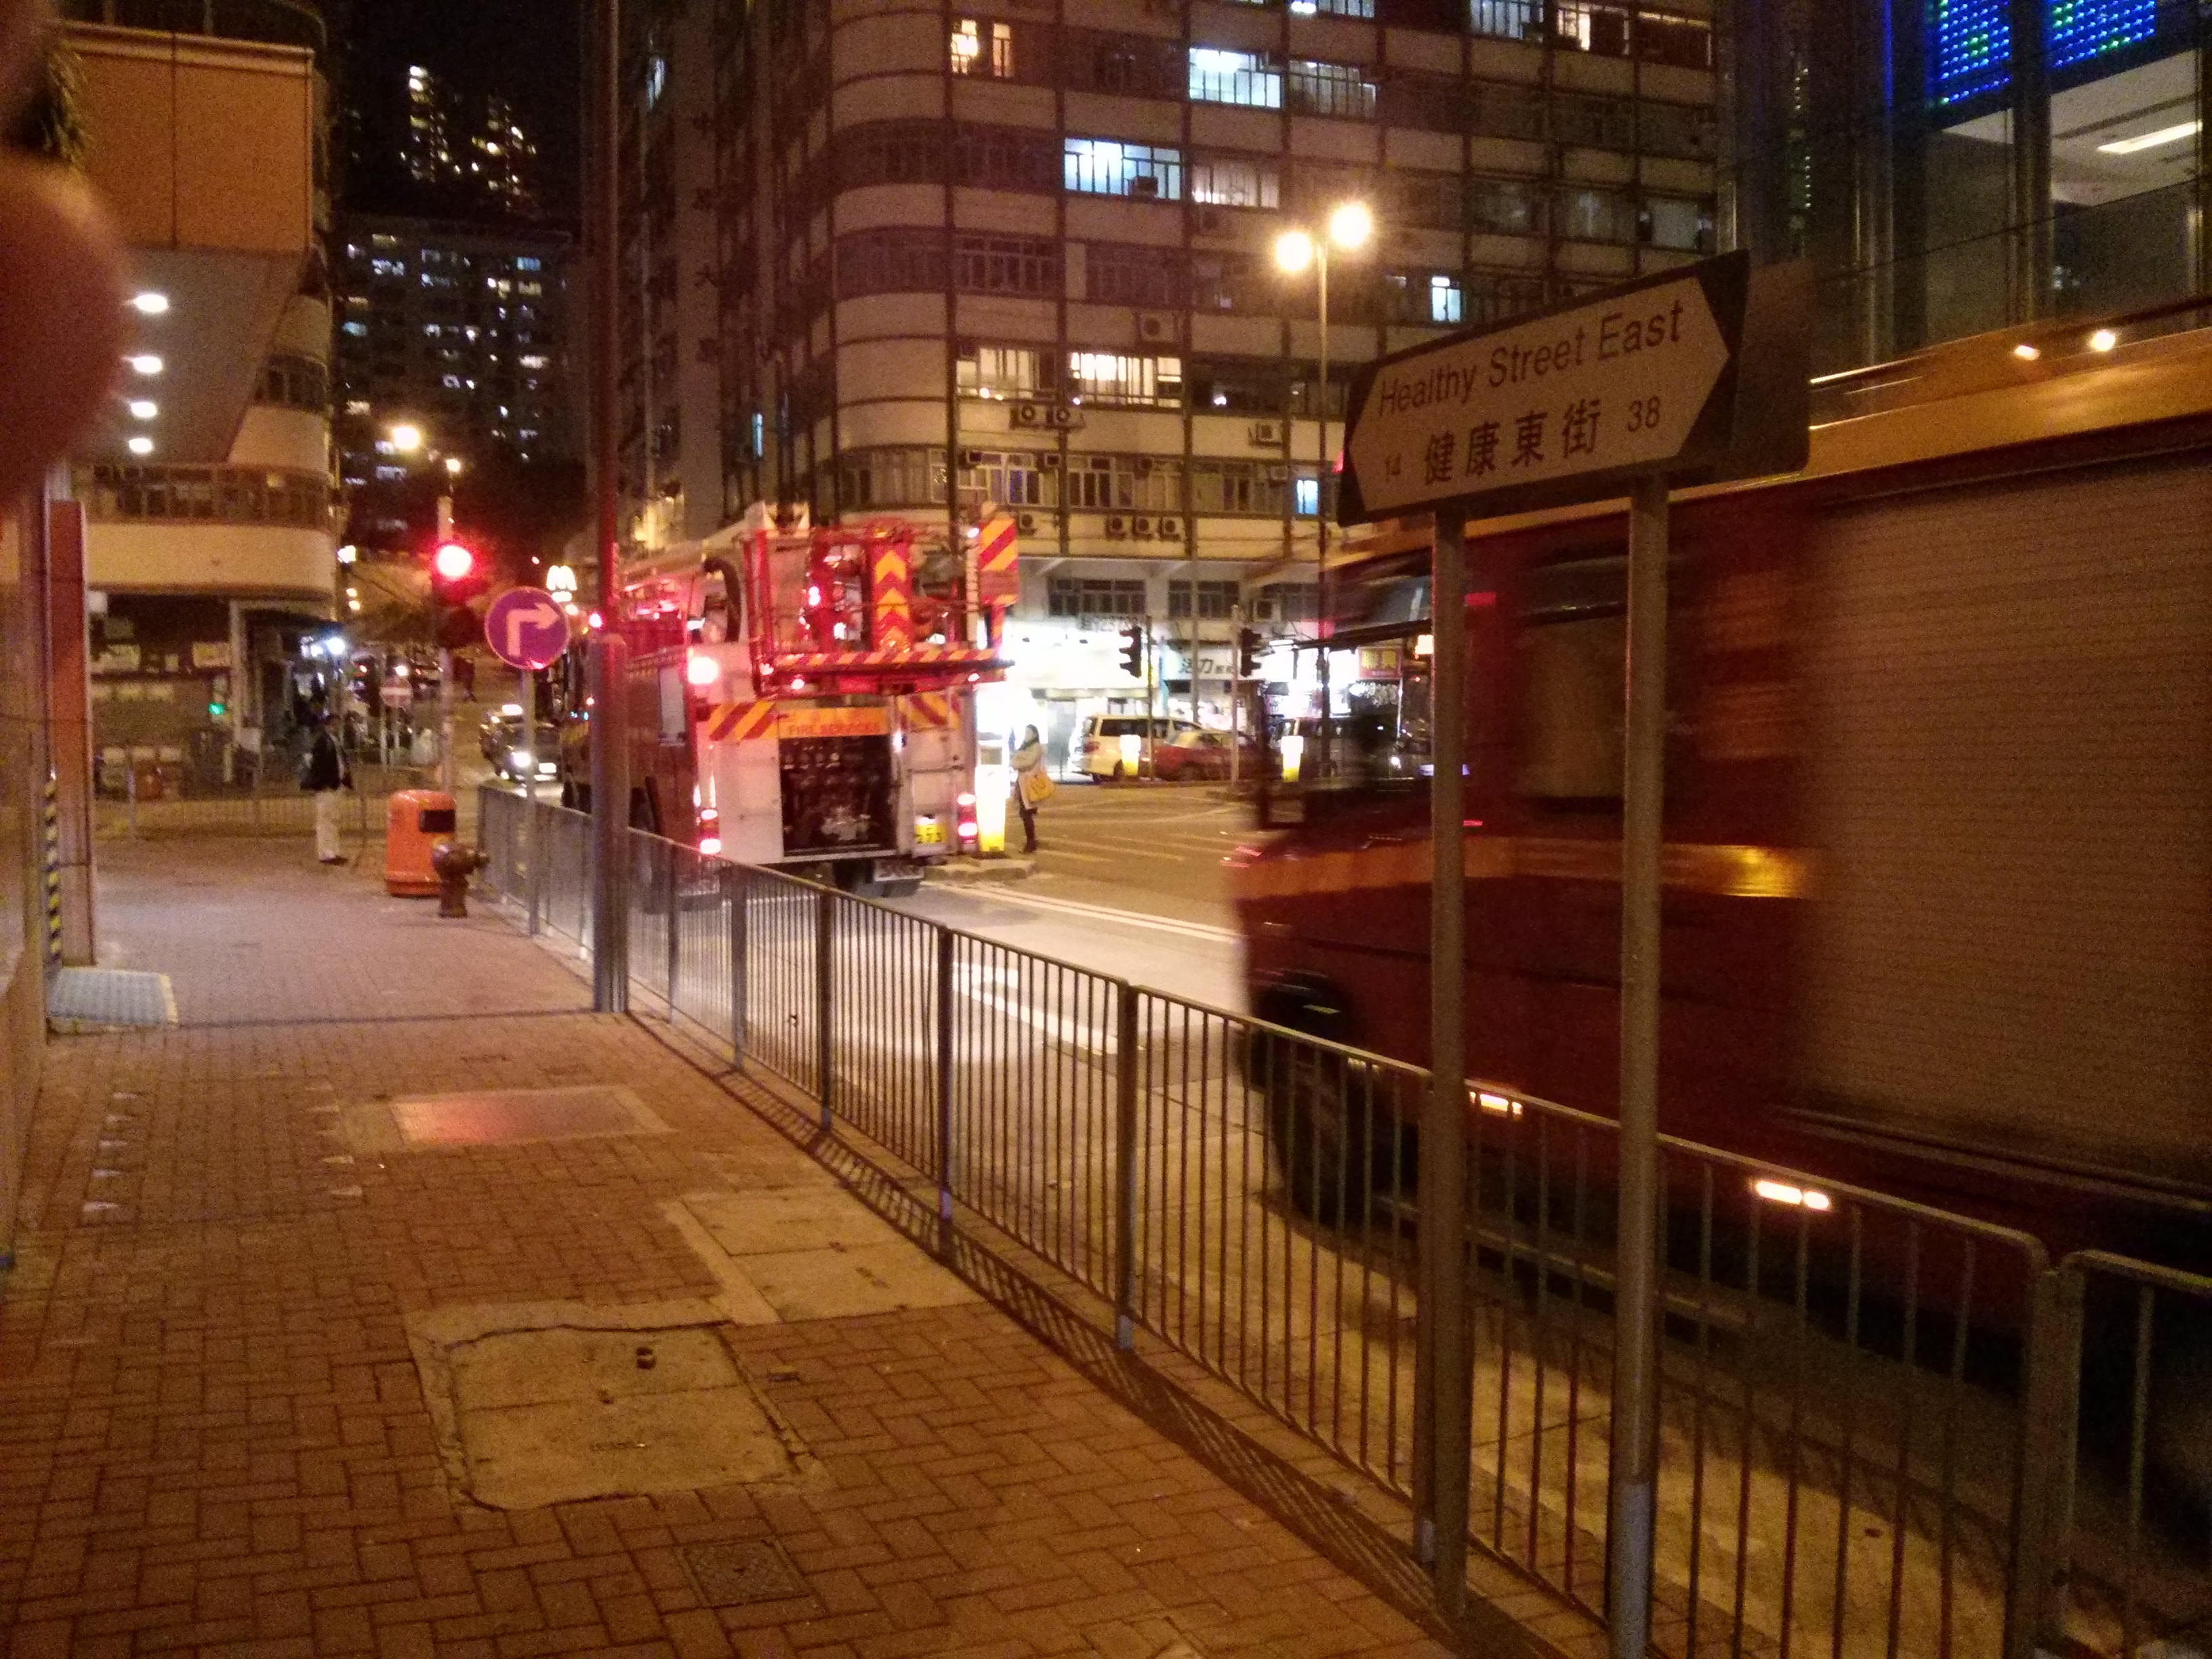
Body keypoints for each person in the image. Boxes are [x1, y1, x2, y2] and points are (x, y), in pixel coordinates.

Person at [300, 714, 351, 865]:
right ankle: (327, 853)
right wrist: (324, 783)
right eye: (334, 724)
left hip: (335, 786)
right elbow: (317, 764)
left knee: (333, 820)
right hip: (328, 787)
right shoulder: (323, 741)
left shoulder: (333, 741)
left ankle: (333, 851)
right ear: (327, 725)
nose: (336, 727)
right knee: (325, 820)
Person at [1010, 724, 1048, 854]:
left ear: (1035, 734)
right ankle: (1031, 841)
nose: (1026, 735)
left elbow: (1028, 763)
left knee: (1026, 814)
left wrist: (1018, 760)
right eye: (1026, 732)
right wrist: (1018, 760)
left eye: (1029, 733)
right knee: (1025, 813)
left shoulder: (1036, 747)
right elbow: (1014, 761)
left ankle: (1031, 843)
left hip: (1029, 785)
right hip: (1023, 784)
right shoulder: (1025, 746)